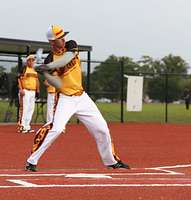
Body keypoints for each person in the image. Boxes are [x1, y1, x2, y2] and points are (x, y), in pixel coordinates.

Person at [25, 25, 130, 171]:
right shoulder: (50, 58)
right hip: (65, 98)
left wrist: (48, 67)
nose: (63, 39)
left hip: (82, 97)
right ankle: (32, 161)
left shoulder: (71, 45)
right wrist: (45, 72)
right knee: (57, 129)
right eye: (59, 38)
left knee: (102, 130)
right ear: (52, 42)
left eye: (63, 36)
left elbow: (66, 60)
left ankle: (111, 161)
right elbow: (57, 83)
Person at [18, 55, 40, 133]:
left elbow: (37, 80)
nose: (31, 61)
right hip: (26, 91)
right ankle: (22, 126)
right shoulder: (24, 68)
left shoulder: (34, 70)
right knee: (25, 109)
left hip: (33, 92)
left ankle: (27, 126)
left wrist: (38, 91)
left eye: (33, 60)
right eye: (29, 60)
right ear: (27, 61)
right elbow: (19, 79)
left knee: (31, 109)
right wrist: (21, 89)